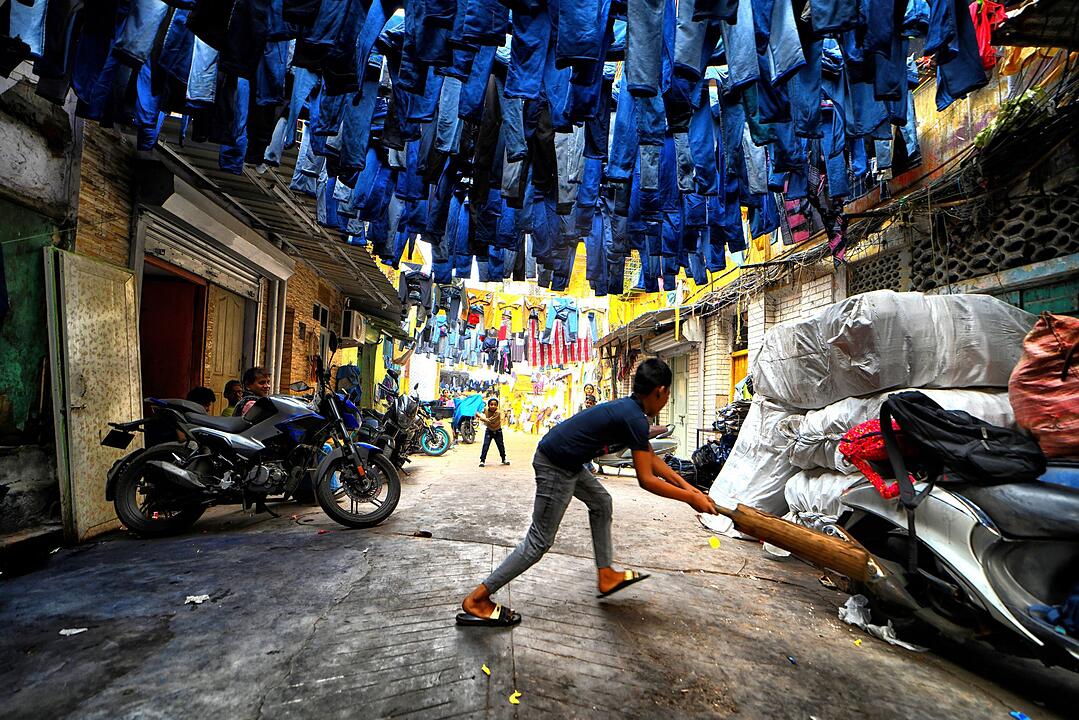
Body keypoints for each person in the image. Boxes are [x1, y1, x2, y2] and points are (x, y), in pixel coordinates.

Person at [456, 359, 719, 627]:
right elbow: (646, 480)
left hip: (569, 462)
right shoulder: (634, 417)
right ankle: (477, 598)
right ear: (660, 391)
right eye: (668, 396)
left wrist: (692, 490)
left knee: (602, 502)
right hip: (555, 463)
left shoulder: (631, 411)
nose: (665, 401)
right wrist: (690, 499)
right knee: (538, 542)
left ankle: (606, 575)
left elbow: (652, 459)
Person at [476, 397, 510, 467]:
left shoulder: (498, 412)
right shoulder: (485, 410)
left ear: (497, 406)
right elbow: (478, 409)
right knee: (486, 445)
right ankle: (482, 460)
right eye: (491, 404)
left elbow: (489, 420)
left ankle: (504, 459)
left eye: (495, 405)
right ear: (488, 405)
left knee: (500, 446)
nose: (493, 406)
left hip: (498, 430)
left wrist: (479, 416)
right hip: (489, 430)